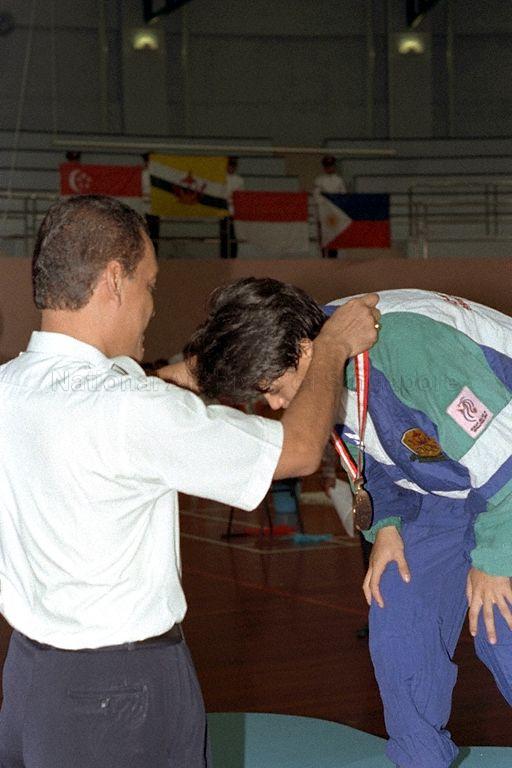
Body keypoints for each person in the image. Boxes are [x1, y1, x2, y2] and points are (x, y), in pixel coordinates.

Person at [0, 196, 378, 768]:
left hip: (31, 677)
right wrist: (331, 347)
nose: (152, 307)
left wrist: (216, 360)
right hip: (120, 688)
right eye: (149, 285)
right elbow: (299, 450)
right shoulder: (130, 410)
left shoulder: (13, 386)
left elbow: (147, 389)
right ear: (113, 281)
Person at [183, 278, 512, 768]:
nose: (274, 406)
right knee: (397, 614)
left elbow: (505, 462)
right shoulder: (327, 358)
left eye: (273, 389)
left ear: (301, 348)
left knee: (498, 626)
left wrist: (492, 561)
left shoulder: (411, 351)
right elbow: (376, 449)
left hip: (503, 486)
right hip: (447, 492)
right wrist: (387, 526)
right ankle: (420, 761)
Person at [313, 155, 347, 259]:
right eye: (327, 166)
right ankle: (323, 258)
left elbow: (343, 195)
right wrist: (326, 203)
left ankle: (333, 258)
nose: (329, 168)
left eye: (331, 166)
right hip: (324, 212)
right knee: (323, 236)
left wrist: (335, 203)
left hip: (335, 213)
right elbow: (316, 196)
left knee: (333, 236)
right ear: (324, 167)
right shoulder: (319, 180)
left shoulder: (339, 180)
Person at [219, 155, 244, 258]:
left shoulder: (239, 180)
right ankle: (224, 259)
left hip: (234, 212)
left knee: (234, 237)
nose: (232, 168)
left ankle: (233, 259)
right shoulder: (221, 178)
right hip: (223, 212)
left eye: (234, 165)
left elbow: (241, 195)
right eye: (230, 165)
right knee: (224, 237)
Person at [141, 152, 160, 255]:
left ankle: (155, 253)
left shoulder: (158, 175)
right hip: (143, 207)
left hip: (155, 207)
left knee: (155, 232)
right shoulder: (142, 173)